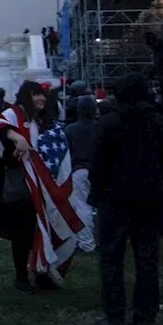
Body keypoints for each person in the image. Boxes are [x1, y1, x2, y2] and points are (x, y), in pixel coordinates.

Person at [89, 73, 163, 325]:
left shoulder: (108, 123)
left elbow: (97, 164)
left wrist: (96, 196)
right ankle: (145, 317)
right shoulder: (161, 123)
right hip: (150, 199)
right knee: (147, 261)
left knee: (110, 259)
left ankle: (115, 315)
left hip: (114, 200)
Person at [0, 80, 84, 292]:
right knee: (22, 234)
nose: (41, 98)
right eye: (36, 95)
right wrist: (17, 138)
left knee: (39, 230)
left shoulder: (35, 121)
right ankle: (22, 277)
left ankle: (40, 270)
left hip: (35, 187)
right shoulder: (14, 115)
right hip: (19, 188)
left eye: (42, 95)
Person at [64, 94, 99, 253]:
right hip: (100, 170)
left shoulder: (71, 129)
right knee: (100, 207)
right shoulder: (101, 127)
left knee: (82, 207)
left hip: (79, 170)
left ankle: (87, 242)